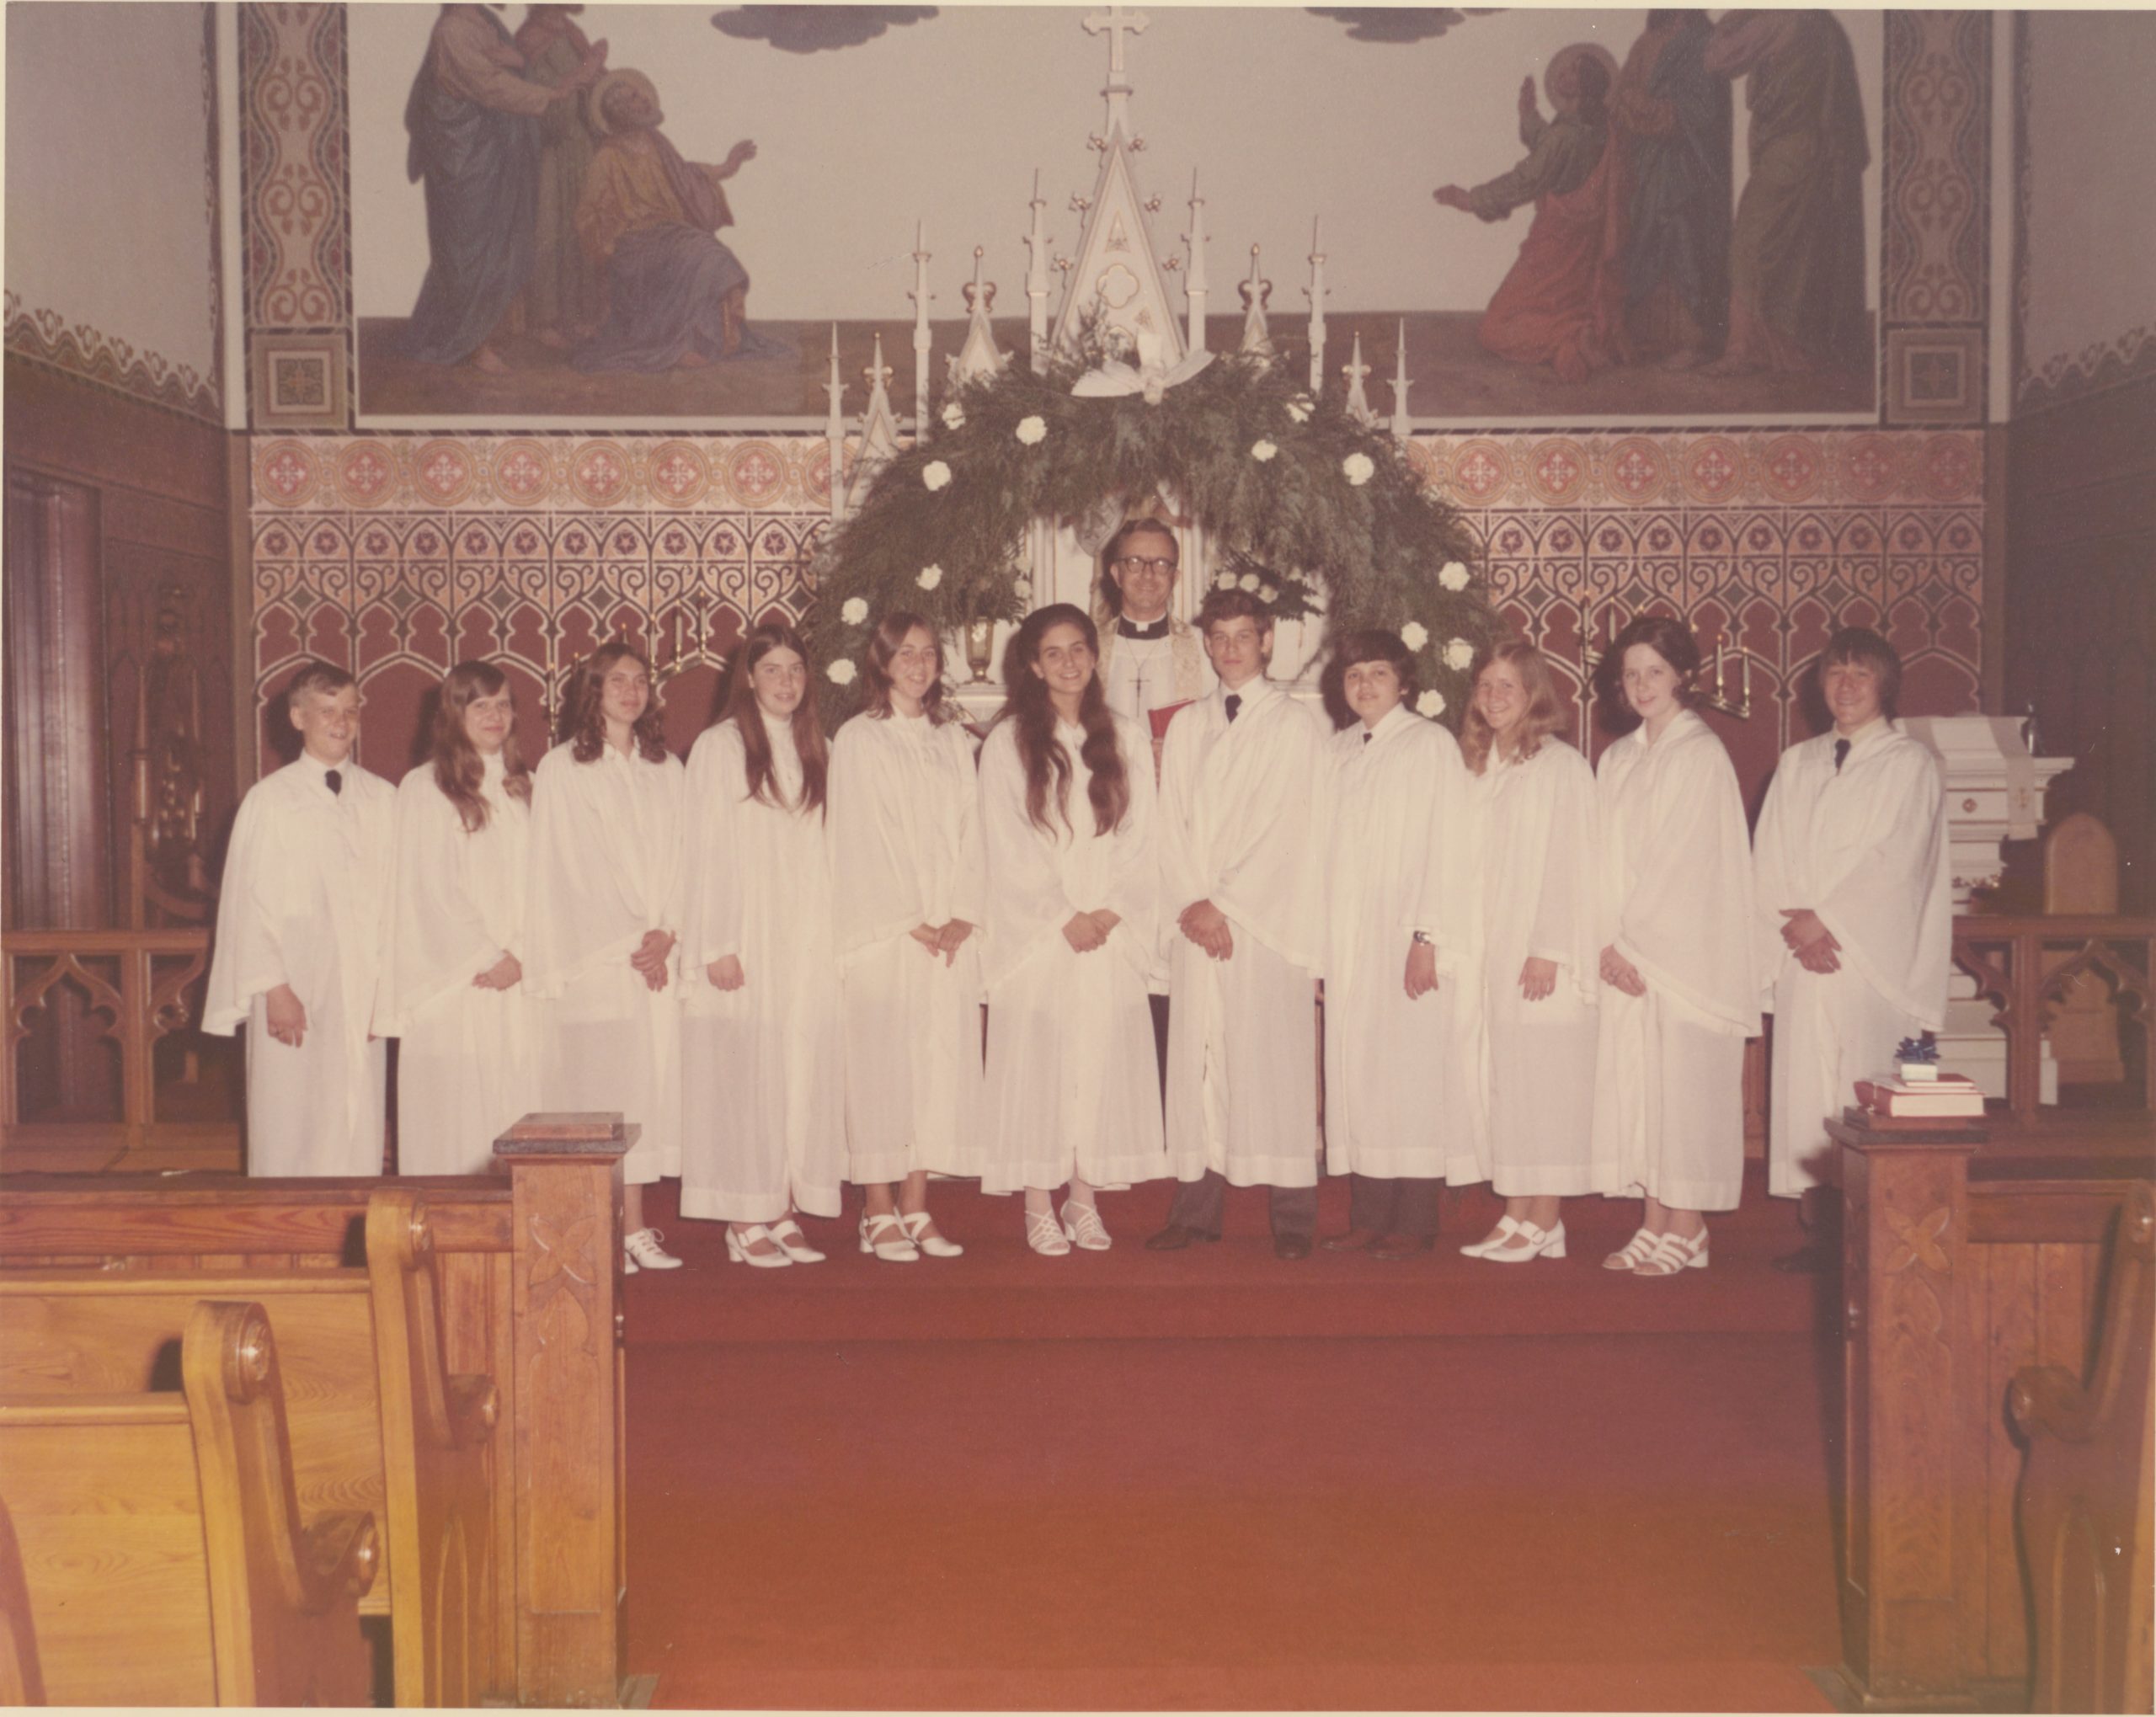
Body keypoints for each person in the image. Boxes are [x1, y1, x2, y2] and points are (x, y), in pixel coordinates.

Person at [1753, 627, 1951, 1268]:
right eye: (1836, 672)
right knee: (1809, 1092)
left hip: (1866, 958)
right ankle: (1821, 1233)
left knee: (1860, 1085)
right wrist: (1798, 930)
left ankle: (1872, 1234)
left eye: (1860, 674)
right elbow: (1770, 855)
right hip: (1803, 956)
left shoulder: (1910, 763)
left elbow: (1900, 859)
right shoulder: (1798, 762)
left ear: (1884, 685)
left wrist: (1829, 921)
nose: (1846, 685)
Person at [1146, 589, 1331, 1262]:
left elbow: (1292, 826)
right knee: (1201, 1063)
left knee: (1274, 1063)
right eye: (1218, 637)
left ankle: (1293, 1216)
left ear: (1267, 640)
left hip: (1263, 923)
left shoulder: (1294, 725)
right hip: (1198, 923)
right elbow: (1169, 824)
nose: (1229, 649)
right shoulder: (1189, 725)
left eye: (1243, 636)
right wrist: (1193, 904)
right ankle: (1195, 1212)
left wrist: (1225, 903)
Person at [978, 604, 1168, 1254]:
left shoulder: (1125, 737)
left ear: (1094, 654)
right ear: (1033, 665)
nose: (1068, 663)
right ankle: (1038, 1199)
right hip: (1041, 932)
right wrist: (1063, 914)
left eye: (1078, 649)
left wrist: (1111, 910)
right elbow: (1005, 839)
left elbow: (1143, 836)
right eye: (1053, 653)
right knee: (1041, 1060)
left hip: (1109, 929)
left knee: (1098, 1057)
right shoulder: (1008, 742)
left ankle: (1084, 1196)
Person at [1586, 616, 1758, 1276]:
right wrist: (1606, 939)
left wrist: (1631, 941)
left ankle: (1689, 1226)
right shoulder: (1619, 757)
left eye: (1654, 671)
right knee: (1644, 1092)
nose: (1642, 685)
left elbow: (1686, 862)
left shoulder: (1699, 753)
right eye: (1631, 673)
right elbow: (1600, 858)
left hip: (1683, 955)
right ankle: (1654, 1218)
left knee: (1683, 1090)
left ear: (1683, 674)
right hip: (1626, 953)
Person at [679, 621, 846, 1267]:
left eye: (795, 670)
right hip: (747, 932)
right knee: (746, 1069)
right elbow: (706, 848)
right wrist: (717, 941)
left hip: (806, 933)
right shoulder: (720, 746)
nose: (785, 681)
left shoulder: (818, 746)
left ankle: (782, 1204)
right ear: (748, 678)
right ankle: (744, 1211)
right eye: (771, 669)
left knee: (797, 1067)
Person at [1315, 631, 1478, 1261]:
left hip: (1406, 933)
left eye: (1378, 673)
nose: (1365, 685)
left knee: (1409, 1076)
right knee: (1360, 1077)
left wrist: (1426, 935)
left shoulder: (1428, 744)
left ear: (1404, 682)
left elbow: (1449, 844)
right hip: (1350, 938)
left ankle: (1414, 1220)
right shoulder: (1338, 749)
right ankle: (1368, 1215)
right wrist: (1321, 951)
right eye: (1354, 674)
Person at [524, 642, 686, 1272]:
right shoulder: (563, 767)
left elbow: (687, 855)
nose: (630, 690)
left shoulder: (666, 767)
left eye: (640, 680)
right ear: (592, 691)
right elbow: (569, 865)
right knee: (600, 1094)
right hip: (597, 960)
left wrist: (667, 931)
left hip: (655, 958)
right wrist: (634, 941)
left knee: (643, 1093)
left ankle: (635, 1227)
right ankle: (598, 1230)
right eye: (617, 680)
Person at [827, 613, 985, 1261]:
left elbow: (975, 827)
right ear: (882, 663)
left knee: (934, 1066)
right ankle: (877, 1208)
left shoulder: (951, 739)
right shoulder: (860, 738)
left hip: (946, 933)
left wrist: (963, 913)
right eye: (905, 654)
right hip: (888, 933)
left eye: (928, 653)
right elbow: (858, 836)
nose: (918, 665)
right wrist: (910, 918)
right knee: (881, 1066)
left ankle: (917, 1204)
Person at [204, 660, 396, 1176]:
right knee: (290, 1112)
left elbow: (397, 900)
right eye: (327, 711)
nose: (341, 722)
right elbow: (247, 903)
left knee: (354, 1111)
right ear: (297, 718)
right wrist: (274, 987)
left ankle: (352, 1213)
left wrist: (385, 993)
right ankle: (285, 1218)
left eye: (350, 711)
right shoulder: (270, 800)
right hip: (293, 985)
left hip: (362, 986)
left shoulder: (382, 798)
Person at [1456, 643, 1604, 1264]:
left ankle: (1545, 1216)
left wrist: (1549, 947)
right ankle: (1517, 1211)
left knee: (1547, 1085)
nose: (1494, 697)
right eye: (1486, 685)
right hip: (1493, 951)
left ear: (1534, 694)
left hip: (1542, 954)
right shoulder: (1480, 766)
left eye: (1507, 686)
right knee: (1509, 1085)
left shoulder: (1560, 766)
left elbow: (1574, 861)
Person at [376, 661, 535, 1175]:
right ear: (453, 714)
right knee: (458, 1118)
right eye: (480, 705)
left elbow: (548, 880)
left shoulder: (527, 786)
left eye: (503, 704)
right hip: (460, 978)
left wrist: (523, 954)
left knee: (518, 1109)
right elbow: (428, 886)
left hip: (522, 976)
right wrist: (491, 956)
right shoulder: (426, 787)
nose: (494, 716)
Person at [402, 3, 606, 371]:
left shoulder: (483, 21)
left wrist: (515, 60)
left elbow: (499, 72)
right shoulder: (453, 30)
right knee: (468, 250)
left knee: (492, 245)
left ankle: (479, 332)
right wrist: (553, 93)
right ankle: (469, 342)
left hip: (489, 151)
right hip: (464, 158)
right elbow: (489, 86)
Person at [1433, 44, 1628, 386]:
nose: (1563, 73)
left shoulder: (1566, 135)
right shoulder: (1598, 128)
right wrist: (1528, 114)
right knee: (1565, 303)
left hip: (1553, 243)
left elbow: (1527, 179)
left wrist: (1471, 199)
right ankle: (1578, 331)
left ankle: (1565, 340)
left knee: (1495, 329)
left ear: (1583, 86)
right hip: (1582, 243)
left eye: (1573, 70)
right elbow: (1551, 148)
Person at [1705, 9, 1870, 376]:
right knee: (1788, 248)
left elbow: (1717, 61)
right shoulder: (1819, 23)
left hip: (1791, 152)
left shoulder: (1785, 18)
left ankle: (1749, 348)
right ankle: (1770, 345)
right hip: (1806, 152)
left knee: (1752, 243)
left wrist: (1734, 19)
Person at [571, 68, 770, 373]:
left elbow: (686, 174)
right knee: (697, 256)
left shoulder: (655, 143)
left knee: (712, 254)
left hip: (670, 232)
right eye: (635, 98)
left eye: (642, 95)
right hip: (634, 241)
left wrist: (728, 166)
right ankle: (676, 347)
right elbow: (587, 213)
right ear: (621, 111)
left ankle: (710, 338)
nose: (645, 100)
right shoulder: (607, 157)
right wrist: (607, 241)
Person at [1614, 10, 1731, 369]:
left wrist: (1647, 107)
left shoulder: (1704, 41)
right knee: (1644, 234)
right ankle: (1643, 335)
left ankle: (1693, 339)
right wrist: (1632, 105)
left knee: (1683, 237)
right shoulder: (1646, 42)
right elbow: (1620, 93)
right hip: (1646, 162)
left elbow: (1703, 112)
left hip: (1685, 163)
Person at [515, 4, 606, 347]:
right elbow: (534, 96)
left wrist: (597, 76)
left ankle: (579, 314)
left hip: (580, 145)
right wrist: (584, 72)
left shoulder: (571, 33)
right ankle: (544, 320)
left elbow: (593, 90)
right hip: (548, 149)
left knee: (580, 228)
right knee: (548, 230)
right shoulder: (530, 38)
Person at [1091, 517, 1215, 740]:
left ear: (1174, 578)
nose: (1148, 575)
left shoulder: (1204, 647)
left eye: (1161, 564)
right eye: (1135, 562)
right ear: (1117, 574)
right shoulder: (1089, 648)